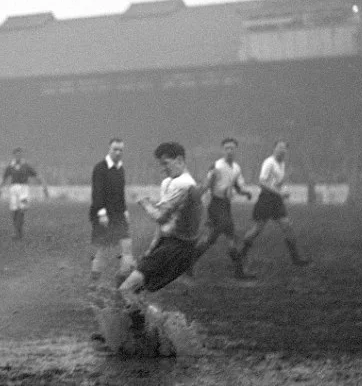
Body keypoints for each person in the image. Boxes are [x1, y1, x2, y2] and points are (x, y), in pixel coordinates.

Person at [118, 142, 204, 326]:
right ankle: (137, 328)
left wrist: (145, 203)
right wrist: (151, 249)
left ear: (180, 160)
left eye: (166, 163)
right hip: (168, 245)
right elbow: (164, 225)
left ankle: (153, 327)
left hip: (177, 249)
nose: (163, 168)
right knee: (130, 284)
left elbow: (162, 218)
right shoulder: (169, 182)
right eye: (161, 164)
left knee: (126, 289)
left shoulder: (184, 185)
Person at [189, 137, 255, 279]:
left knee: (214, 239)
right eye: (227, 148)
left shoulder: (236, 168)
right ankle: (239, 272)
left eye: (232, 148)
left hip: (225, 205)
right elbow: (208, 184)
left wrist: (245, 193)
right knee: (229, 235)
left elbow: (236, 185)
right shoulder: (217, 166)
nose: (229, 151)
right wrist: (200, 195)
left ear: (236, 150)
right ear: (222, 150)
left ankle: (189, 263)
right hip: (215, 204)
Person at [239, 140, 310, 267]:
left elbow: (275, 183)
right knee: (257, 230)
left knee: (287, 225)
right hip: (266, 199)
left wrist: (282, 188)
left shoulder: (282, 163)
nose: (282, 150)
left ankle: (296, 258)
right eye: (279, 147)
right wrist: (280, 192)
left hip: (276, 200)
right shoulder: (269, 162)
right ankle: (241, 254)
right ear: (274, 148)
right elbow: (262, 182)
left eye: (284, 148)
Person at [89, 138, 135, 283]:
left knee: (127, 246)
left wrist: (125, 212)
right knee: (102, 250)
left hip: (119, 214)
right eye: (115, 149)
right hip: (103, 215)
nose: (118, 152)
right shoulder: (100, 168)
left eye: (120, 150)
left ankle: (121, 280)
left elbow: (121, 193)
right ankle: (94, 281)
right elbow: (97, 193)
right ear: (109, 149)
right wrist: (102, 213)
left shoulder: (121, 169)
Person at [0, 147, 49, 239]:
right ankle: (18, 231)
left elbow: (37, 176)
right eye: (16, 154)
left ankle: (18, 232)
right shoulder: (10, 166)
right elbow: (3, 178)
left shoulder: (26, 166)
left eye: (20, 154)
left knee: (22, 209)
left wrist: (44, 187)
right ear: (14, 155)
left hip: (24, 189)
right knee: (14, 210)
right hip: (13, 189)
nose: (18, 156)